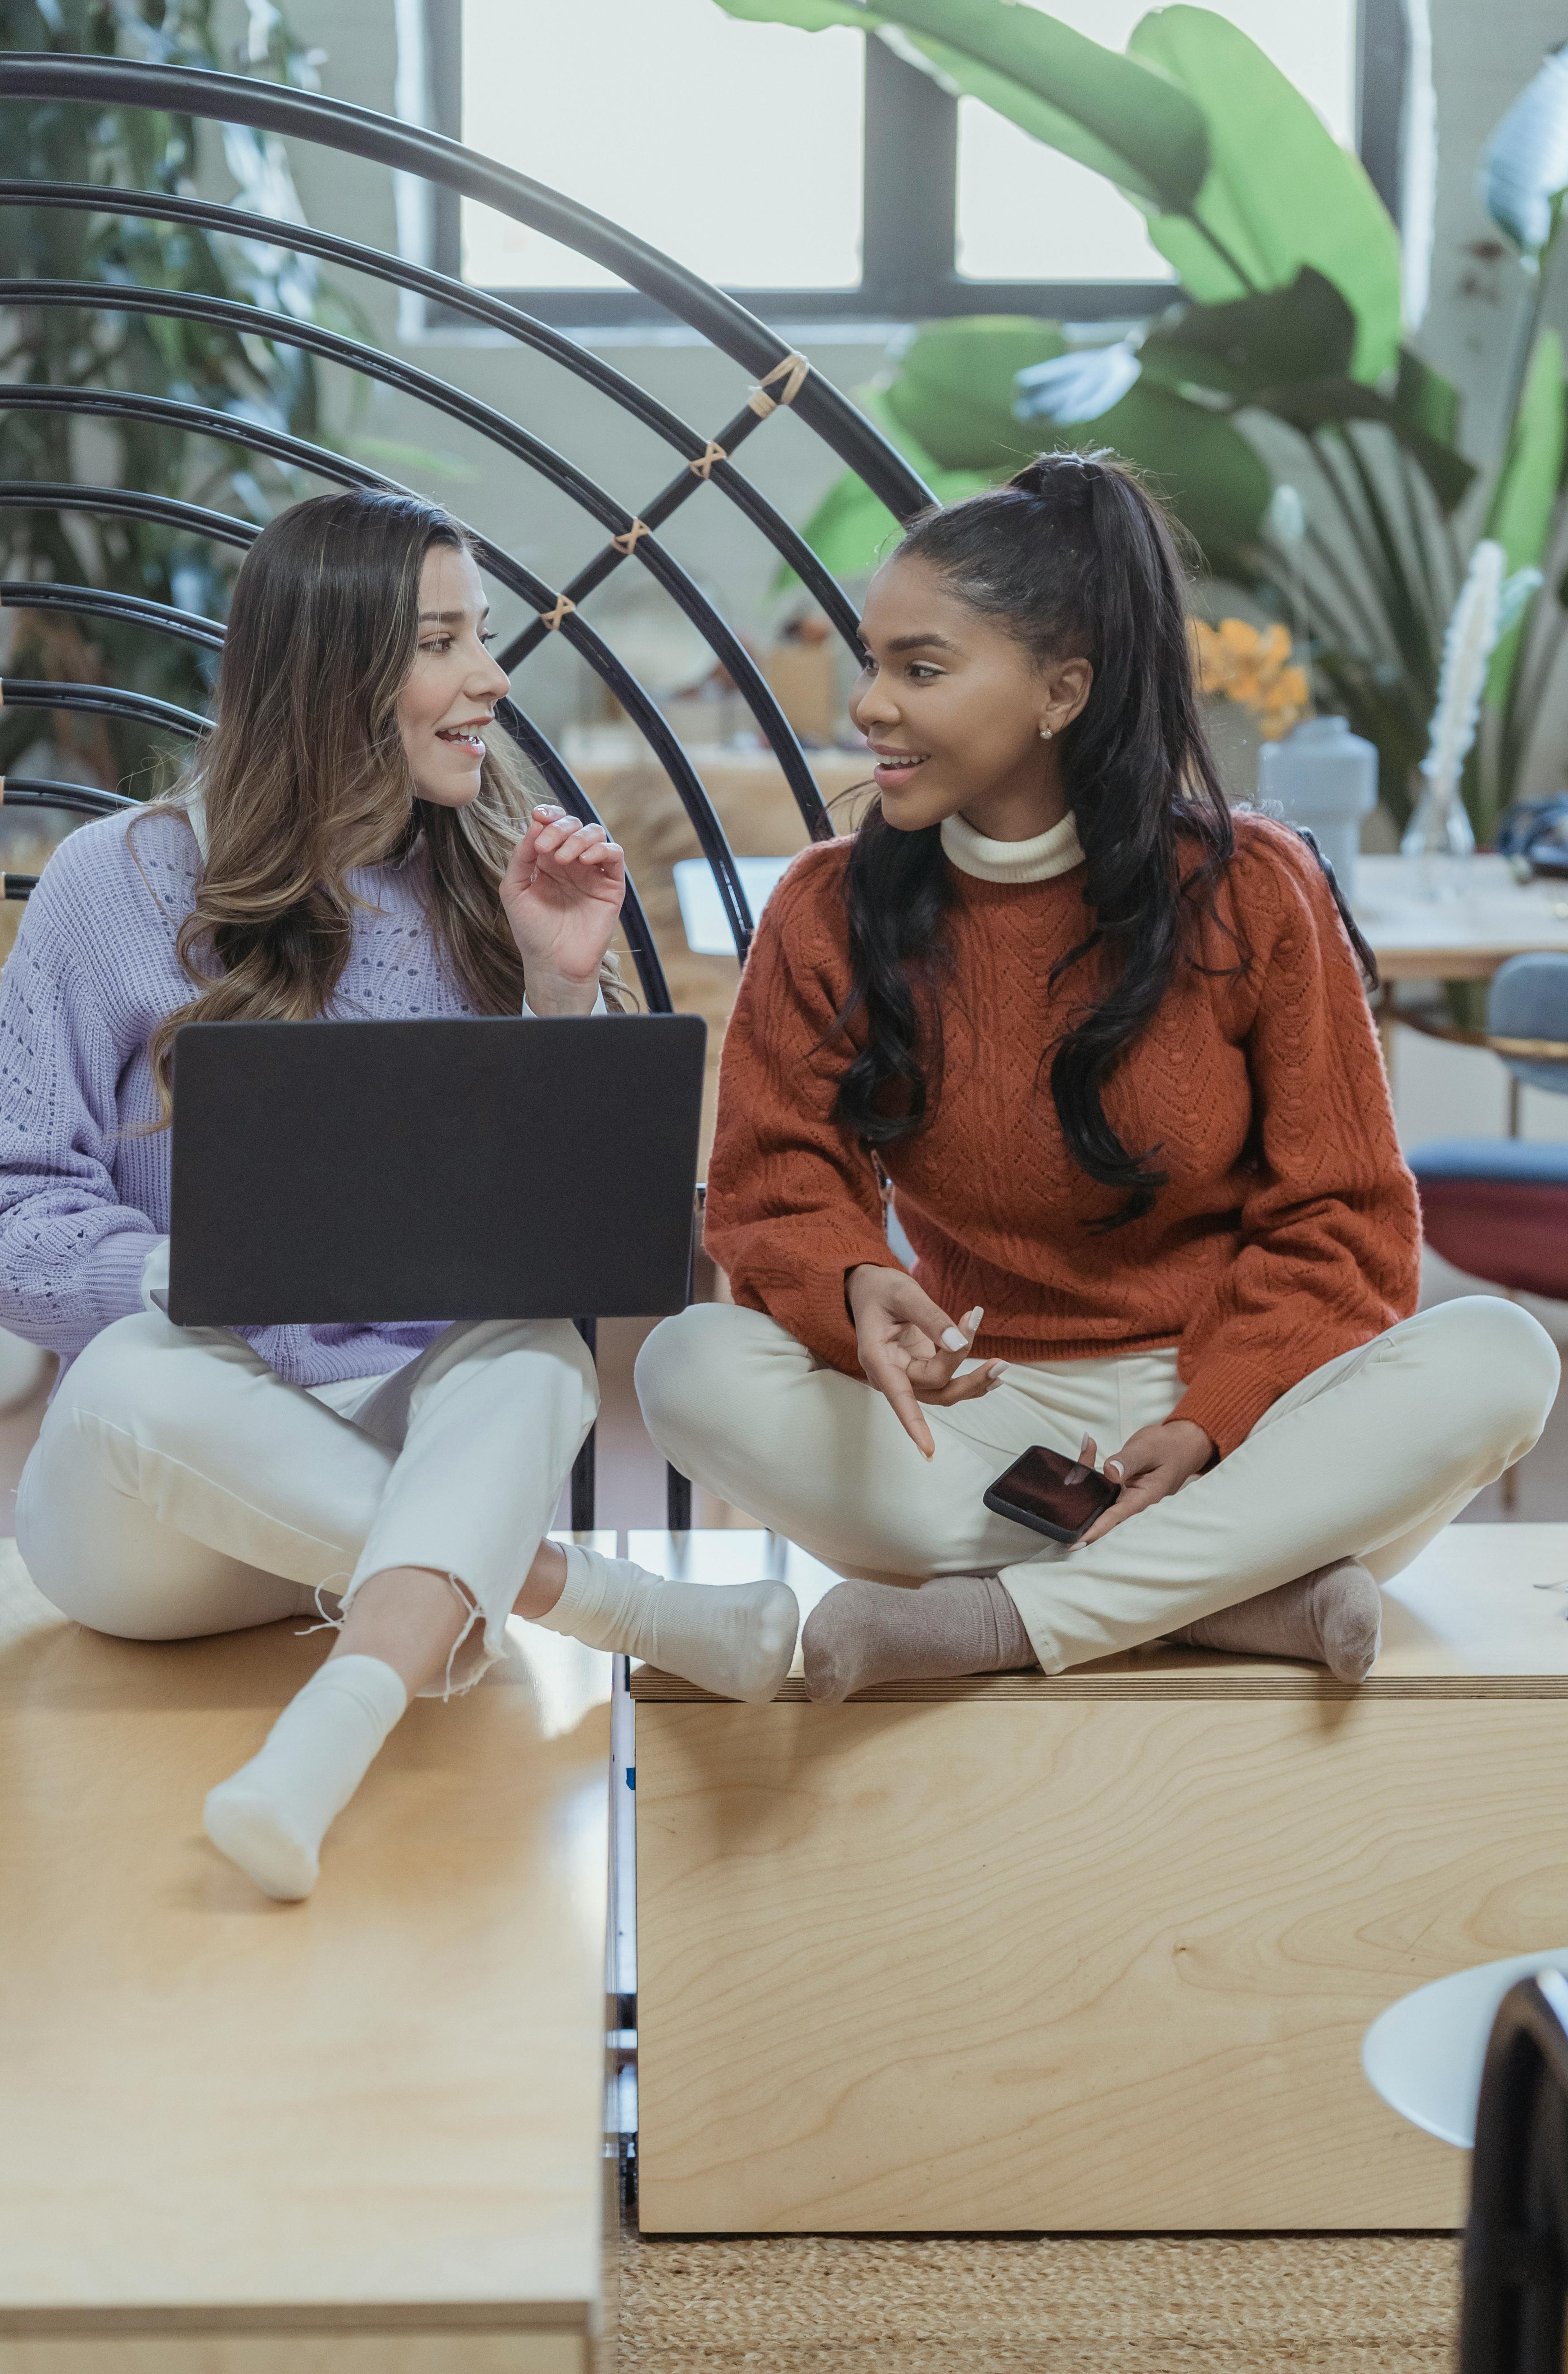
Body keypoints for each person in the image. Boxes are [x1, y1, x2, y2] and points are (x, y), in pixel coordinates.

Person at [0, 489, 796, 1898]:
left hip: (400, 1483)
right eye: (446, 643)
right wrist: (202, 1270)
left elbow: (546, 1241)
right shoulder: (114, 884)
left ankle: (320, 1747)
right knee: (133, 1378)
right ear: (337, 674)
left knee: (528, 1357)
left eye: (486, 637)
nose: (492, 679)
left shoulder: (485, 881)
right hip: (170, 1514)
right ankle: (614, 1608)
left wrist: (555, 990)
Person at [635, 453, 1559, 1699]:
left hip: (1240, 1419)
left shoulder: (1251, 890)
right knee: (686, 1369)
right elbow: (772, 1182)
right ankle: (1235, 1596)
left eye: (920, 668)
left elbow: (1343, 1220)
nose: (869, 706)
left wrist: (1208, 1417)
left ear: (1061, 691)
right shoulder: (823, 910)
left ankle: (998, 1623)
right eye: (871, 662)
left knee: (1502, 1356)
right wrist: (854, 1281)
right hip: (982, 1420)